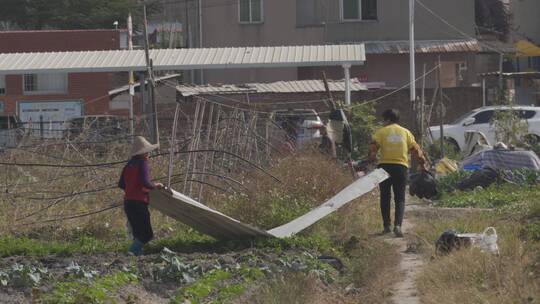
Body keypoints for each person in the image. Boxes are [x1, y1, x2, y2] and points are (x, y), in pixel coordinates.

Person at [369, 109, 427, 237]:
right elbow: (416, 150)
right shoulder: (406, 132)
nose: (383, 122)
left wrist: (373, 160)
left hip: (384, 166)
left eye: (384, 120)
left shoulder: (381, 132)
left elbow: (373, 149)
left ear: (388, 119)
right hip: (401, 167)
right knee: (400, 197)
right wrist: (422, 164)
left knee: (385, 196)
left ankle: (386, 226)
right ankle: (398, 226)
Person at [118, 136, 163, 256]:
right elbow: (145, 182)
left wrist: (133, 189)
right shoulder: (143, 163)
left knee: (137, 234)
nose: (148, 154)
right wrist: (155, 186)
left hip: (128, 202)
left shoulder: (128, 165)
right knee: (147, 234)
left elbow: (121, 184)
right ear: (142, 153)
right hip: (139, 203)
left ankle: (138, 259)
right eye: (147, 152)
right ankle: (130, 253)